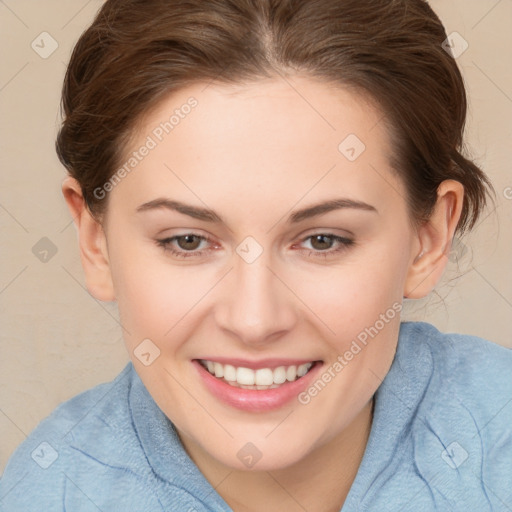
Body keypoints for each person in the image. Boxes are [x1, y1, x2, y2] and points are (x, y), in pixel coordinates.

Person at [1, 0, 511, 510]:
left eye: (322, 240)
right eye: (188, 241)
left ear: (429, 238)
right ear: (97, 243)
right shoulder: (50, 493)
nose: (254, 321)